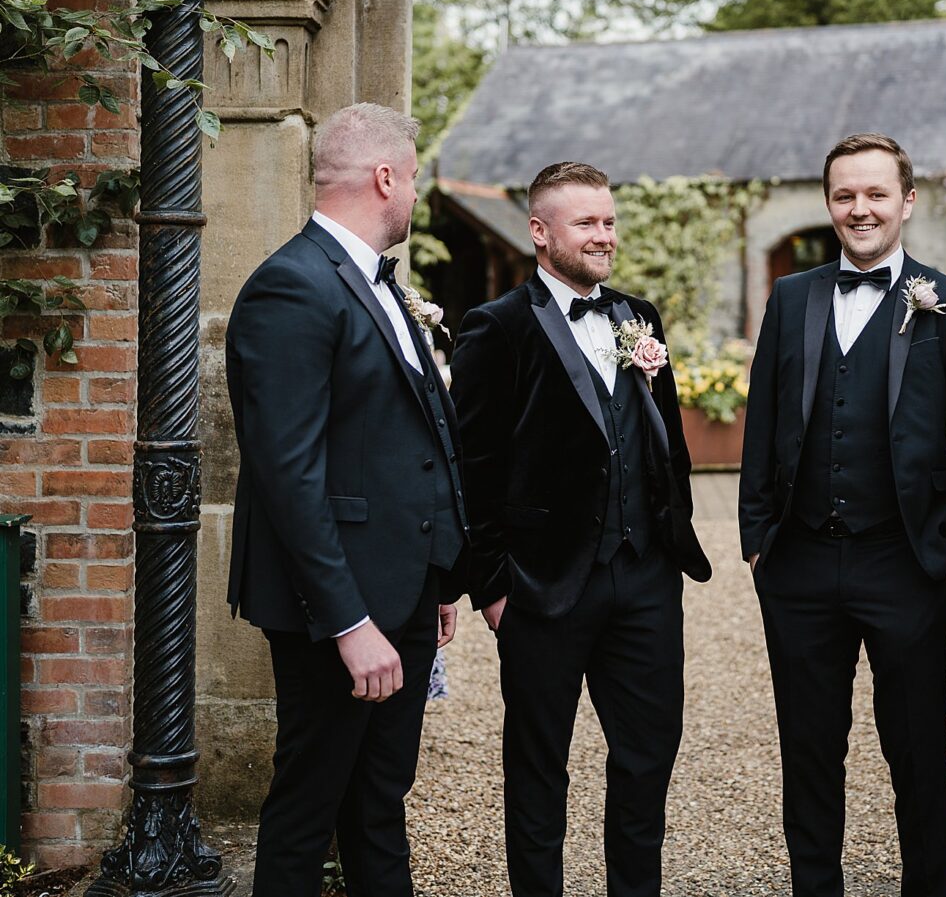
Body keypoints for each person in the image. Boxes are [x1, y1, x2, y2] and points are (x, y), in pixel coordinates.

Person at [739, 133, 946, 897]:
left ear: (907, 201)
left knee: (917, 749)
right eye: (845, 195)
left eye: (876, 194)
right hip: (799, 565)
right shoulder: (792, 297)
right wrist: (759, 540)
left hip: (908, 561)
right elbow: (762, 420)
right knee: (810, 751)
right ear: (829, 203)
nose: (861, 209)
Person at [225, 102, 469, 897]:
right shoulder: (290, 288)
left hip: (401, 591)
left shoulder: (374, 284)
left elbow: (404, 439)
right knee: (308, 807)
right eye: (414, 177)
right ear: (386, 175)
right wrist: (350, 622)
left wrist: (435, 574)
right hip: (339, 610)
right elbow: (287, 475)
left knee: (379, 803)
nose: (415, 196)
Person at [450, 161, 711, 897]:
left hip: (645, 580)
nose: (605, 236)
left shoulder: (640, 319)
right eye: (587, 223)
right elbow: (474, 465)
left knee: (646, 758)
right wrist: (493, 586)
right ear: (540, 232)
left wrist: (671, 535)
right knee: (538, 769)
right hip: (541, 588)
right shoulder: (494, 328)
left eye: (609, 221)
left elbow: (669, 443)